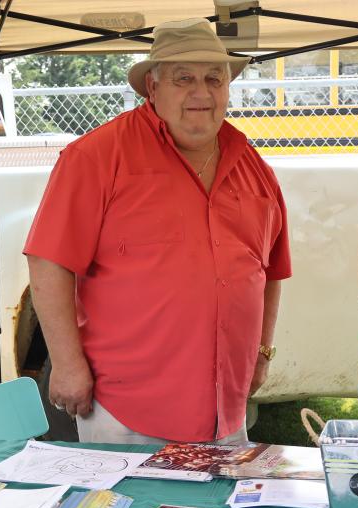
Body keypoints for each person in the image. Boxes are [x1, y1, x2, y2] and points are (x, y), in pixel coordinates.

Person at [23, 18, 291, 445]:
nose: (201, 93)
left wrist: (261, 353)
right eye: (183, 78)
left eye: (213, 78)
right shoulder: (95, 157)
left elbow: (270, 272)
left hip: (226, 410)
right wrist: (68, 364)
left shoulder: (256, 169)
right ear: (153, 87)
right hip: (126, 410)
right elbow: (48, 262)